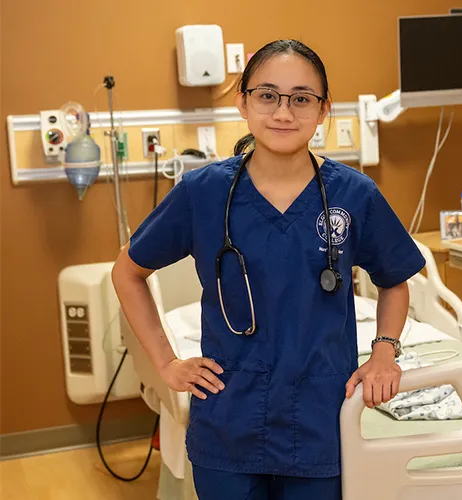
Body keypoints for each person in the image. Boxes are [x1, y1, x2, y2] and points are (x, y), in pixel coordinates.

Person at [111, 39, 425, 499]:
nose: (284, 112)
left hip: (320, 421)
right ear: (242, 102)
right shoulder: (203, 192)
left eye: (301, 98)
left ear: (323, 111)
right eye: (267, 95)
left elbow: (394, 281)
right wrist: (166, 362)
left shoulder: (355, 195)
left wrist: (383, 353)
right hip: (227, 418)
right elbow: (127, 272)